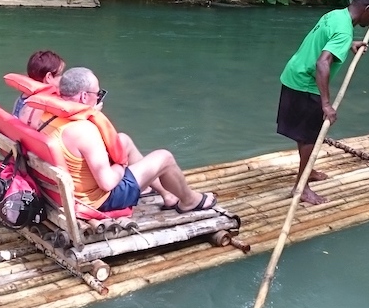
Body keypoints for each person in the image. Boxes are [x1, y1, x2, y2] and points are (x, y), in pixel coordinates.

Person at [35, 67, 218, 214]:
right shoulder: (84, 130)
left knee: (123, 140)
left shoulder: (47, 115)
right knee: (164, 157)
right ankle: (189, 201)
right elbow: (107, 183)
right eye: (97, 94)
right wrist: (121, 164)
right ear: (84, 96)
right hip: (99, 200)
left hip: (66, 191)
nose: (99, 98)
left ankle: (167, 194)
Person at [277, 0, 369, 205]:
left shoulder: (336, 15)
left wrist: (348, 45)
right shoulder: (344, 30)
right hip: (306, 83)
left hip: (293, 73)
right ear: (367, 9)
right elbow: (322, 62)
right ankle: (302, 187)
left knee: (305, 133)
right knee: (310, 136)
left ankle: (308, 171)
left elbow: (325, 40)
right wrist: (326, 104)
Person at [12, 50, 65, 125]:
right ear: (49, 77)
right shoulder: (43, 104)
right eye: (60, 74)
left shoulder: (23, 97)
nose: (62, 78)